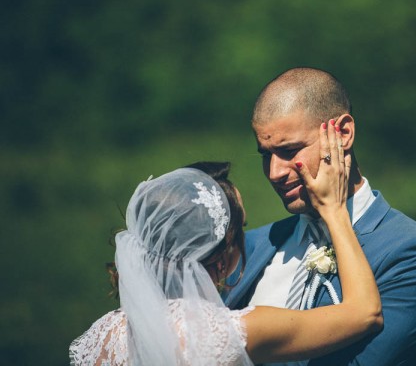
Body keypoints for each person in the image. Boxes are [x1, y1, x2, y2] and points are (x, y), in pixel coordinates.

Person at [69, 122, 383, 365]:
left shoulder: (98, 338)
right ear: (221, 260)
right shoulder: (228, 332)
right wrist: (335, 210)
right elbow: (365, 314)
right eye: (240, 231)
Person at [223, 67, 416, 365]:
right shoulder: (252, 245)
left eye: (290, 150)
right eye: (266, 154)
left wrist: (334, 215)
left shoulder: (414, 253)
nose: (274, 172)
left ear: (343, 133)